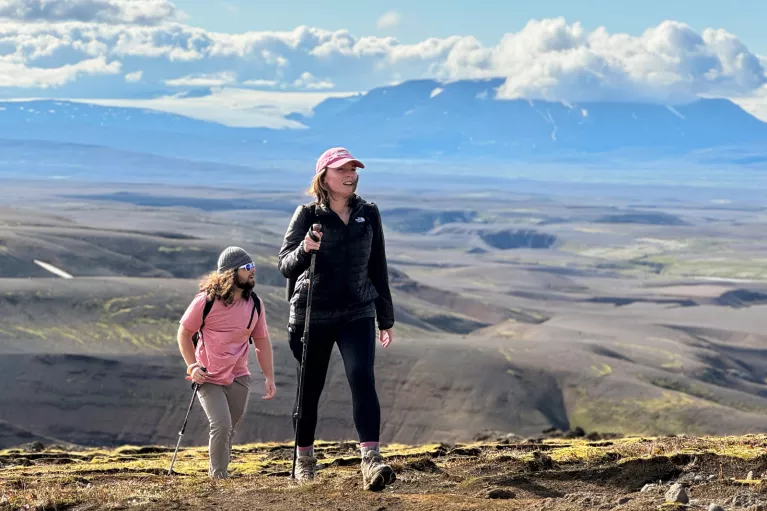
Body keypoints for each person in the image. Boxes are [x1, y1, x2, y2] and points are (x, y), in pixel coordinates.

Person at [277, 147, 396, 491]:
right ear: (324, 176)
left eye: (354, 169)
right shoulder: (307, 215)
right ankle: (304, 460)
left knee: (362, 377)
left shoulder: (368, 213)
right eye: (343, 169)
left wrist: (385, 318)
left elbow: (379, 265)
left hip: (358, 310)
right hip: (313, 314)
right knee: (310, 388)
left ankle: (371, 461)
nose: (351, 174)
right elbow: (285, 263)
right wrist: (306, 249)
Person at [177, 246, 276, 479]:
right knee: (221, 425)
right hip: (207, 376)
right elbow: (184, 333)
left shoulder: (255, 304)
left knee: (228, 429)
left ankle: (219, 471)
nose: (253, 272)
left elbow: (262, 342)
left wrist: (269, 376)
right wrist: (192, 366)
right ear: (231, 273)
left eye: (253, 267)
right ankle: (218, 477)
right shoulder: (206, 302)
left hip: (239, 376)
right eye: (248, 267)